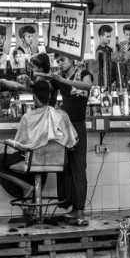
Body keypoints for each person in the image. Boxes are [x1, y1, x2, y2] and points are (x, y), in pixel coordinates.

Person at [0, 80, 78, 200]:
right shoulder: (62, 115)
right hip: (55, 162)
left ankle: (26, 187)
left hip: (33, 162)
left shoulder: (28, 117)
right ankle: (32, 197)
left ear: (34, 97)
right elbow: (73, 142)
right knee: (31, 162)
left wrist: (8, 142)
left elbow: (19, 145)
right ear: (50, 96)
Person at [49, 55, 93, 224]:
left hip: (78, 126)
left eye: (63, 60)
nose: (60, 63)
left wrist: (63, 81)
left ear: (73, 59)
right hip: (64, 126)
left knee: (79, 168)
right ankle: (72, 207)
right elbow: (45, 89)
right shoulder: (59, 78)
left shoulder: (84, 74)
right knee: (65, 168)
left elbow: (88, 85)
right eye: (58, 61)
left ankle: (80, 210)